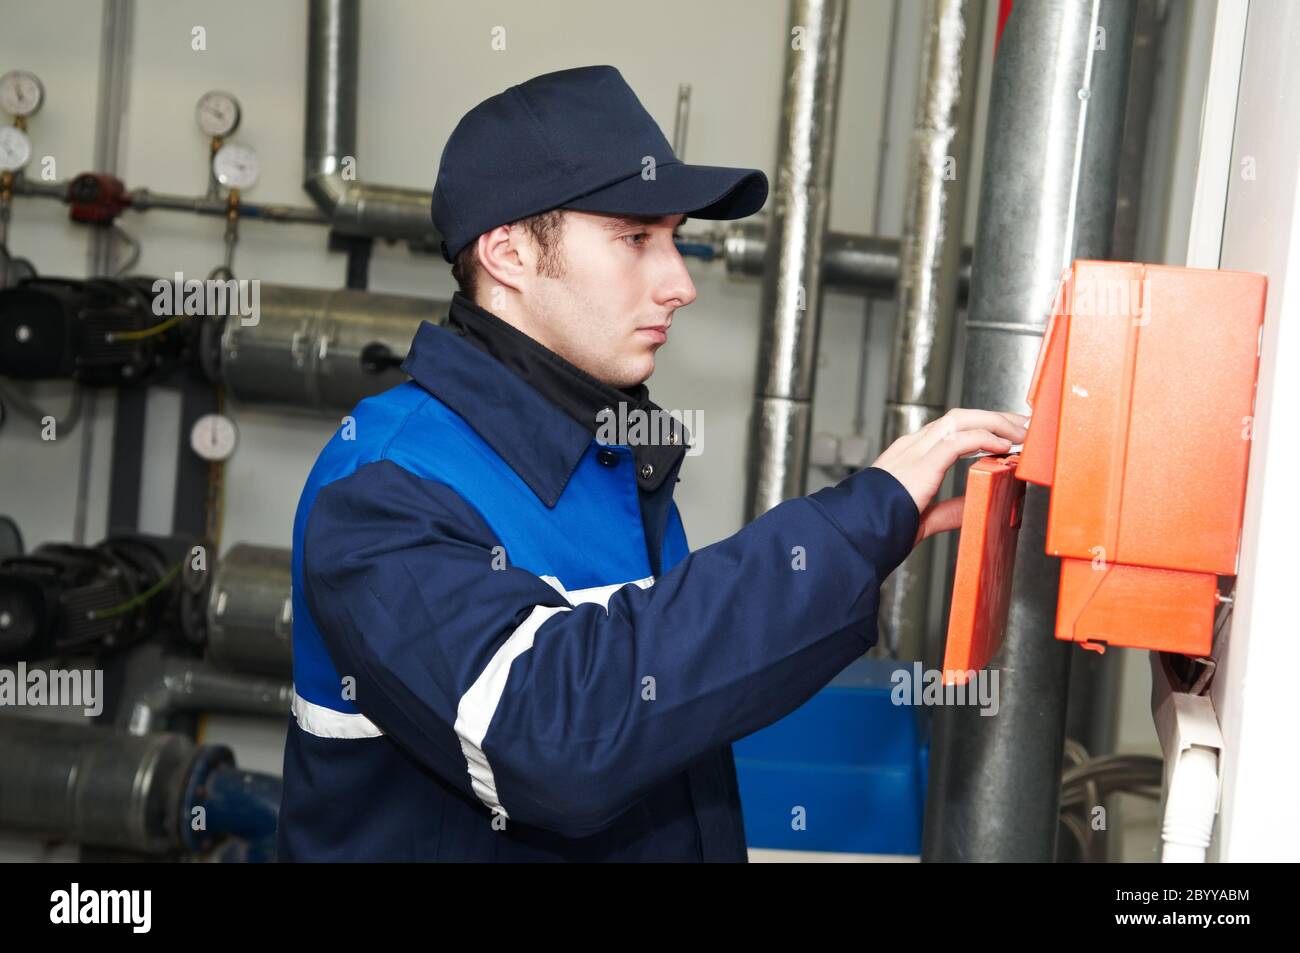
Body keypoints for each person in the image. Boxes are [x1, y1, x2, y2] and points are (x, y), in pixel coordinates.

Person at [276, 65, 1027, 861]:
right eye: (636, 239)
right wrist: (850, 529)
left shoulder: (606, 453)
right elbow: (551, 735)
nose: (681, 284)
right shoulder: (385, 486)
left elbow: (655, 707)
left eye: (675, 239)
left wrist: (868, 540)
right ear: (508, 255)